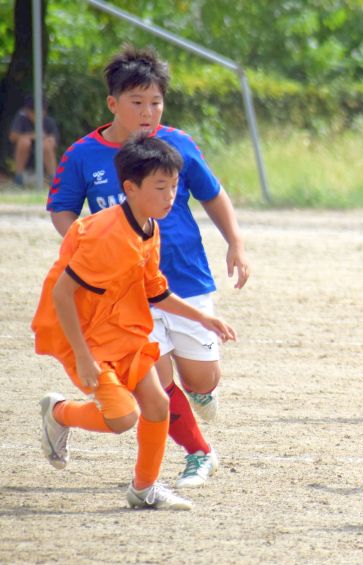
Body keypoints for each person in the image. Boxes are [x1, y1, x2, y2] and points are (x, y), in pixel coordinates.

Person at [46, 45, 250, 489]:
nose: (147, 112)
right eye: (136, 102)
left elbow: (213, 194)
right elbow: (63, 210)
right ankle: (198, 453)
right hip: (127, 294)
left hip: (186, 277)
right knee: (154, 381)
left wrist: (235, 243)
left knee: (202, 377)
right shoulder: (82, 155)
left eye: (155, 102)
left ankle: (199, 392)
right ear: (112, 103)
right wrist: (89, 249)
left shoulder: (178, 144)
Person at [32, 133, 236, 510]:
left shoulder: (150, 227)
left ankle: (144, 489)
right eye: (160, 187)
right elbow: (62, 294)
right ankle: (60, 413)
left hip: (124, 328)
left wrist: (204, 318)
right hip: (85, 336)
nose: (170, 196)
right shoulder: (105, 235)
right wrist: (83, 356)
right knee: (123, 417)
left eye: (174, 186)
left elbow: (155, 290)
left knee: (157, 404)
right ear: (130, 187)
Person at [9, 95, 59, 186]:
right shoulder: (21, 119)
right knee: (24, 142)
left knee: (47, 145)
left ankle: (53, 178)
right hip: (25, 156)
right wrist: (32, 136)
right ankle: (19, 177)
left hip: (43, 157)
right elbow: (12, 137)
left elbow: (54, 141)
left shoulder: (49, 121)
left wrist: (49, 139)